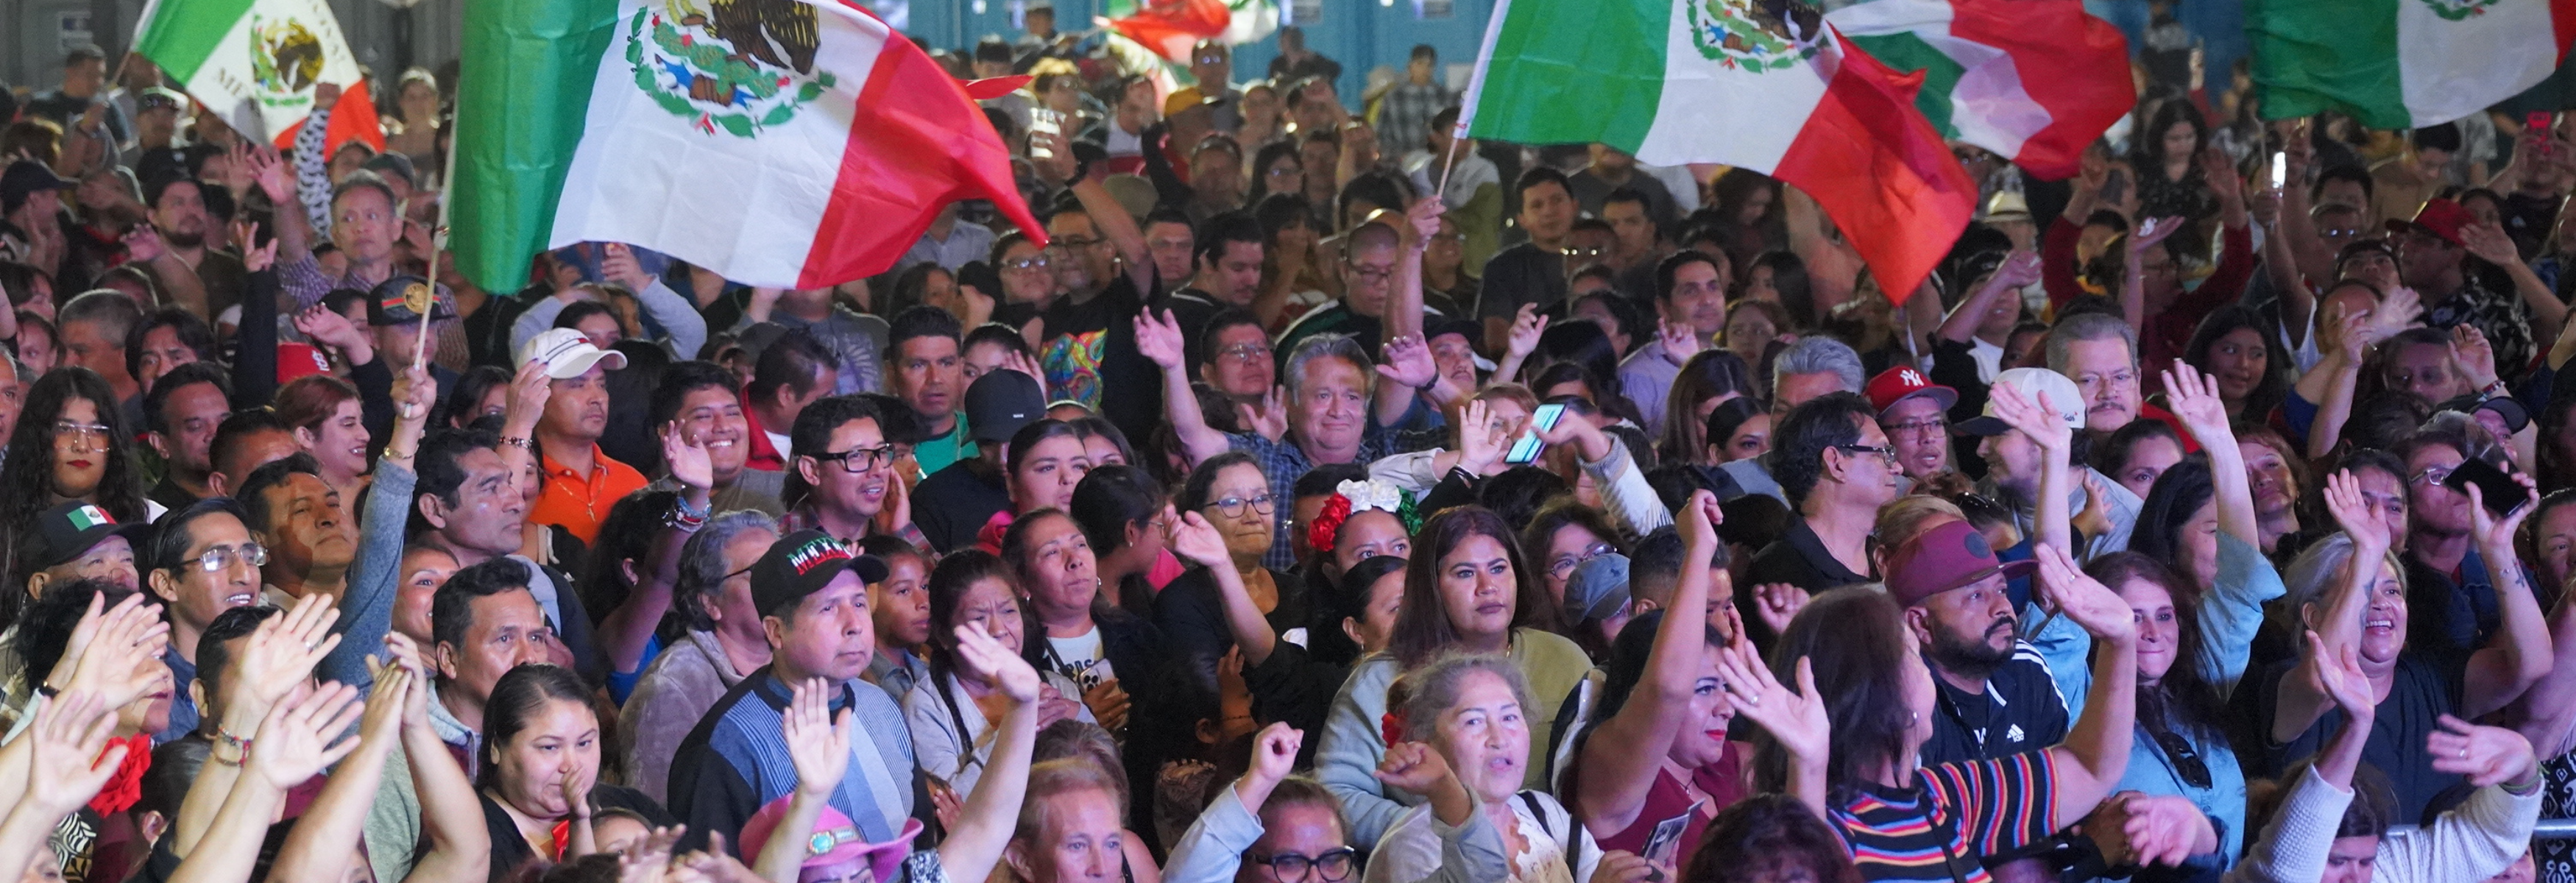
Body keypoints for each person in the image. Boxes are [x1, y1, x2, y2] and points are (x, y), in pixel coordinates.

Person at [1727, 541, 2173, 883]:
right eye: (1910, 653)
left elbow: (2091, 767)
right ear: (1882, 695)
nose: (1925, 664)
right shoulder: (1832, 822)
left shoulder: (1941, 795)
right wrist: (1807, 765)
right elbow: (1812, 869)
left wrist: (2119, 641)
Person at [2257, 467, 2550, 822]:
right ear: (2313, 617)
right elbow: (2326, 680)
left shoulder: (2434, 677)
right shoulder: (2285, 683)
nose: (2381, 603)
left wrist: (2499, 549)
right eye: (2364, 587)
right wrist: (2367, 552)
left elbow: (2533, 664)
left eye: (2393, 590)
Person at [1314, 506, 1594, 848]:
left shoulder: (1562, 657)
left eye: (1498, 568)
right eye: (1464, 573)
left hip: (1556, 853)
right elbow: (1336, 793)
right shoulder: (1381, 678)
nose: (1488, 587)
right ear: (1429, 586)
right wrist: (1441, 829)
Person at [2227, 629, 2543, 883]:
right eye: (2337, 862)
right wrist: (2357, 727)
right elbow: (2291, 867)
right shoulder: (2263, 873)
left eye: (2366, 861)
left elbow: (2489, 843)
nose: (2353, 878)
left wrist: (2524, 771)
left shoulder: (2387, 874)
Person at [667, 530, 911, 856]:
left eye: (859, 602)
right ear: (776, 631)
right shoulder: (727, 744)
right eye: (828, 608)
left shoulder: (880, 704)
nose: (854, 624)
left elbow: (919, 843)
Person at [1362, 653, 1653, 883]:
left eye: (1511, 717)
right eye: (1473, 721)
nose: (1499, 739)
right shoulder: (1413, 848)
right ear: (1427, 742)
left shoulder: (1542, 810)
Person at [1567, 493, 1744, 869]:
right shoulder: (1609, 769)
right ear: (1637, 698)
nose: (1727, 708)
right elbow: (1667, 690)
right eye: (1705, 689)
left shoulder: (1719, 765)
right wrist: (1699, 547)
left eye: (1724, 686)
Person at [618, 511, 776, 805]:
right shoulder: (672, 687)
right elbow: (657, 817)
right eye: (758, 571)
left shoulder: (802, 659)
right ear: (710, 602)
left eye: (780, 567)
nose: (780, 583)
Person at [905, 549, 1090, 798]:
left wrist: (1080, 715)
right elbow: (949, 807)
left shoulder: (1057, 688)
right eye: (978, 617)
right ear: (943, 635)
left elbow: (1106, 777)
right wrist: (1017, 728)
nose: (998, 630)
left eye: (1008, 611)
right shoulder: (926, 706)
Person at [477, 663, 673, 881]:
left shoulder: (629, 804)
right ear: (496, 747)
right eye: (550, 747)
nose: (572, 765)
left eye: (584, 743)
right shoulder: (472, 837)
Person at [1740, 393, 1894, 643]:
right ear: (1836, 463)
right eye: (1883, 451)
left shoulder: (1887, 559)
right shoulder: (1781, 575)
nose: (1896, 467)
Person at [426, 558, 559, 773]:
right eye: (505, 639)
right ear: (449, 659)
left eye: (535, 638)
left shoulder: (558, 729)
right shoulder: (399, 751)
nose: (529, 658)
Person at [518, 327, 644, 544]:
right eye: (578, 385)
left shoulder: (633, 482)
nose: (597, 398)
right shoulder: (518, 485)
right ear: (535, 394)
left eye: (602, 385)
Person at [916, 369, 1046, 553]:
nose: (1002, 458)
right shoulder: (936, 498)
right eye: (988, 443)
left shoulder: (1067, 483)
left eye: (1014, 441)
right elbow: (924, 574)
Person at [781, 394, 925, 549]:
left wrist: (899, 538)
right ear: (811, 471)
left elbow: (938, 573)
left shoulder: (894, 528)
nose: (878, 470)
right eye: (857, 455)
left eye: (882, 452)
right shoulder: (775, 544)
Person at [1621, 251, 1730, 436]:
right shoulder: (1638, 376)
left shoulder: (1727, 360)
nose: (1707, 300)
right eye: (1690, 291)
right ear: (1663, 307)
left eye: (1713, 287)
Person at [1479, 169, 1579, 352]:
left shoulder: (1597, 254)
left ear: (1574, 206)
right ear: (1522, 219)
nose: (1549, 211)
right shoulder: (1503, 267)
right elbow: (1496, 340)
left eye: (1557, 200)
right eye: (1537, 205)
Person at [884, 306, 974, 475]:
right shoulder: (875, 447)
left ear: (961, 368)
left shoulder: (986, 439)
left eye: (946, 363)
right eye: (918, 365)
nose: (935, 379)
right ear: (892, 373)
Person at [740, 330, 841, 473]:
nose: (832, 407)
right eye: (822, 398)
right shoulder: (729, 442)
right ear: (786, 395)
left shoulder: (833, 433)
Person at [140, 361, 228, 509]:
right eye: (196, 427)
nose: (215, 434)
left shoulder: (255, 497)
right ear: (160, 443)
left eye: (225, 421)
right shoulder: (154, 516)